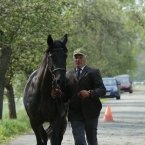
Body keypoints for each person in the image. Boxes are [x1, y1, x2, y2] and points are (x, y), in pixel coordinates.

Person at [51, 48, 106, 145]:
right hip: (75, 113)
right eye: (76, 58)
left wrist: (89, 93)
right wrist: (59, 94)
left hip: (91, 112)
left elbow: (102, 90)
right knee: (79, 140)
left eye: (80, 57)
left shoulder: (93, 72)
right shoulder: (68, 75)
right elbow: (66, 97)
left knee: (92, 140)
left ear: (86, 58)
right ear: (73, 59)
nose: (78, 60)